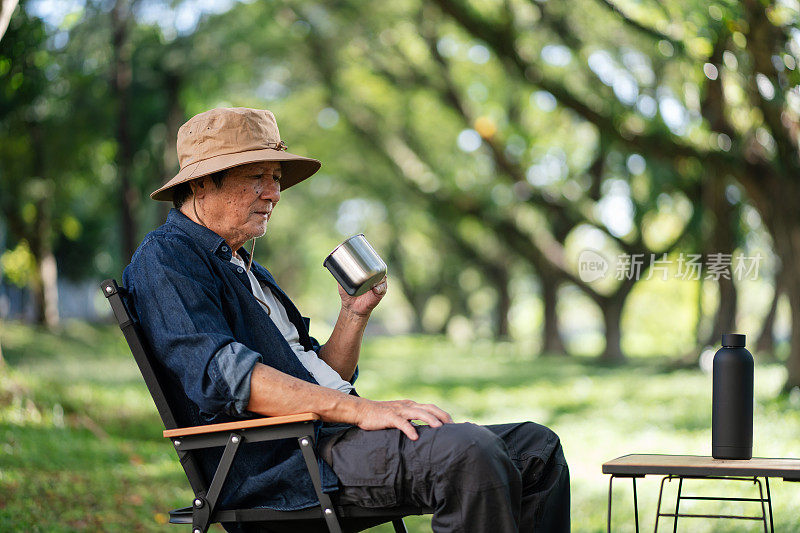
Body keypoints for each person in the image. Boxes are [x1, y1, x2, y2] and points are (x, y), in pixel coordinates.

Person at [124, 107, 570, 532]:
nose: (275, 193)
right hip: (289, 461)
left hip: (329, 435)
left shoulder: (246, 267)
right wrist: (362, 410)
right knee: (467, 453)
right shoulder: (167, 260)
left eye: (276, 179)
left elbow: (320, 375)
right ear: (202, 184)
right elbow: (226, 378)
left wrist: (353, 315)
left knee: (536, 449)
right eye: (257, 177)